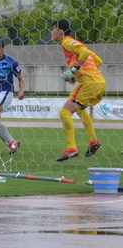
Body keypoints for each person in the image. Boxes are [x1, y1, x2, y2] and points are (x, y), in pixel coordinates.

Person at [51, 19, 105, 162]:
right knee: (80, 110)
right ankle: (93, 141)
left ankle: (71, 148)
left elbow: (85, 52)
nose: (51, 33)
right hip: (99, 82)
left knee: (64, 112)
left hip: (89, 83)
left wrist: (75, 69)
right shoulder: (72, 44)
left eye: (53, 29)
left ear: (60, 31)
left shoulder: (67, 42)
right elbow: (98, 61)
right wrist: (79, 74)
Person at [0, 37, 23, 155]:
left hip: (5, 91)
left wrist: (21, 91)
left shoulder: (10, 61)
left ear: (1, 49)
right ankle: (12, 142)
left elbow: (20, 78)